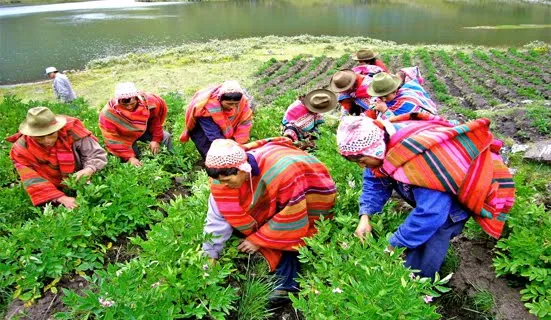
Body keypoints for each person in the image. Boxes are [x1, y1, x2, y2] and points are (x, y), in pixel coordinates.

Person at [336, 114, 515, 279]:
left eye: (361, 161)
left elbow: (431, 213)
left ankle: (419, 289)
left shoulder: (419, 158)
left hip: (458, 193)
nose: (361, 166)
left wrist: (395, 244)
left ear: (374, 150)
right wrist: (365, 216)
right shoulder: (383, 147)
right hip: (436, 194)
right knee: (417, 236)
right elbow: (374, 181)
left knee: (434, 237)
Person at [202, 138, 336, 297]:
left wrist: (258, 239)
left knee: (290, 236)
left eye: (228, 180)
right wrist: (210, 254)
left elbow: (292, 219)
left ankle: (287, 285)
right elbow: (216, 221)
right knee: (247, 225)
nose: (224, 185)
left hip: (308, 186)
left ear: (243, 169)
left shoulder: (281, 173)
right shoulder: (221, 181)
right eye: (220, 181)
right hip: (281, 191)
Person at [6, 107, 107, 209]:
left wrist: (89, 169)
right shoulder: (21, 149)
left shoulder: (72, 131)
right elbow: (31, 178)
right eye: (40, 137)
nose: (47, 140)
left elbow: (95, 154)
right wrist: (61, 198)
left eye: (51, 134)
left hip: (80, 174)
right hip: (49, 183)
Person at [99, 82, 172, 167]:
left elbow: (155, 122)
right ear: (118, 101)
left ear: (137, 98)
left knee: (166, 137)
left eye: (132, 104)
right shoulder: (109, 113)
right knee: (134, 159)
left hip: (143, 130)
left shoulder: (147, 103)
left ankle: (170, 159)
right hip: (124, 137)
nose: (129, 107)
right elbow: (112, 138)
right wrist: (129, 157)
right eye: (125, 105)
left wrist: (155, 140)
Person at [180, 80, 253, 159]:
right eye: (229, 104)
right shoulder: (207, 107)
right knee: (212, 155)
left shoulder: (242, 102)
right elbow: (214, 136)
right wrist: (227, 151)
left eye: (236, 104)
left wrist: (238, 145)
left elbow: (244, 124)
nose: (233, 107)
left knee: (235, 154)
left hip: (225, 127)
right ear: (220, 99)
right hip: (202, 129)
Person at [367, 70, 437, 120]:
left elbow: (403, 124)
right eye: (380, 96)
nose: (383, 100)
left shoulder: (406, 103)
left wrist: (385, 111)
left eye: (385, 96)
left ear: (395, 91)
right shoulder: (379, 99)